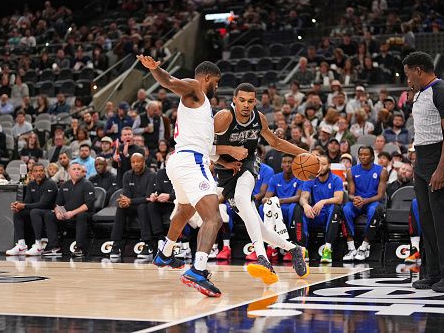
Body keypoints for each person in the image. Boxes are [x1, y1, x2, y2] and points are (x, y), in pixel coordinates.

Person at [138, 55, 224, 297]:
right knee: (213, 218)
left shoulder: (203, 105)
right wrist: (156, 69)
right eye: (216, 82)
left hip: (180, 161)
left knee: (186, 210)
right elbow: (170, 81)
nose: (216, 87)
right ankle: (197, 270)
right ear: (207, 77)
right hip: (190, 161)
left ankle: (165, 253)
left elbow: (208, 146)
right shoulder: (196, 88)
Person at [214, 83, 309, 283]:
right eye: (242, 100)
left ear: (255, 101)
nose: (246, 105)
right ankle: (294, 249)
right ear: (234, 100)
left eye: (250, 101)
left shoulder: (259, 118)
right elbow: (206, 147)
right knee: (258, 226)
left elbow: (275, 143)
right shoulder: (223, 118)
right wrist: (229, 153)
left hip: (248, 163)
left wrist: (303, 152)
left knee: (242, 197)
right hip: (225, 170)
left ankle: (262, 258)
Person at [403, 51, 444, 293]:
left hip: (440, 159)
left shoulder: (443, 91)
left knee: (442, 220)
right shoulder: (420, 94)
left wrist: (440, 168)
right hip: (423, 160)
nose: (408, 81)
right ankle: (432, 271)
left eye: (408, 75)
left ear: (419, 70)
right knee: (426, 219)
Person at [291, 155, 344, 263]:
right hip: (314, 214)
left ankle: (328, 249)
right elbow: (303, 197)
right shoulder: (310, 179)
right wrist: (306, 205)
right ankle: (302, 249)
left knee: (335, 208)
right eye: (319, 164)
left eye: (324, 164)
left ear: (329, 166)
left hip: (328, 215)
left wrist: (323, 201)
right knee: (298, 208)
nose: (321, 167)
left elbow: (339, 199)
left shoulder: (336, 179)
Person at [39, 162, 96, 258]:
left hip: (84, 215)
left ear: (82, 172)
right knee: (49, 215)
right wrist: (58, 212)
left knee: (81, 215)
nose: (77, 171)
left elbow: (88, 204)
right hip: (68, 215)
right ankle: (55, 247)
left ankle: (79, 248)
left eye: (79, 169)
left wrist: (72, 213)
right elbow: (58, 203)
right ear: (69, 171)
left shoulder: (87, 184)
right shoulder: (65, 185)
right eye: (74, 169)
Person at [342, 146, 388, 262]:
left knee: (375, 210)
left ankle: (364, 246)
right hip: (358, 203)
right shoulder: (351, 171)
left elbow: (381, 195)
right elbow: (350, 194)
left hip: (373, 202)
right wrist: (356, 199)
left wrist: (365, 201)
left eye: (366, 154)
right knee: (346, 209)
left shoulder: (382, 171)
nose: (363, 157)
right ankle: (351, 248)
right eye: (361, 154)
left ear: (372, 156)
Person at [109, 153, 156, 258]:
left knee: (142, 206)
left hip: (147, 205)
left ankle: (147, 243)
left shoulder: (151, 175)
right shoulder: (127, 175)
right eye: (133, 162)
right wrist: (124, 201)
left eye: (138, 161)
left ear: (143, 162)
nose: (136, 164)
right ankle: (116, 244)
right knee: (121, 208)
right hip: (132, 203)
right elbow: (127, 194)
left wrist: (130, 201)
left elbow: (148, 197)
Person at [6, 163, 58, 256]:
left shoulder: (51, 184)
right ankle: (21, 245)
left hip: (49, 212)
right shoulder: (31, 184)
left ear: (44, 172)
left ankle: (38, 245)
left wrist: (24, 206)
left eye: (41, 171)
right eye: (36, 171)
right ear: (32, 173)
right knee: (18, 212)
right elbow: (27, 202)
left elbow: (43, 204)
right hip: (36, 211)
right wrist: (18, 205)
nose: (39, 173)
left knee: (34, 211)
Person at [261, 154, 302, 262]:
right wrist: (266, 200)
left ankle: (291, 248)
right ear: (281, 164)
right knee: (262, 207)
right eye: (284, 162)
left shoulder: (299, 177)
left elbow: (298, 197)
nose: (287, 164)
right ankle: (270, 247)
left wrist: (281, 200)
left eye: (290, 162)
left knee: (294, 209)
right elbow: (267, 196)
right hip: (277, 207)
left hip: (290, 206)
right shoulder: (275, 178)